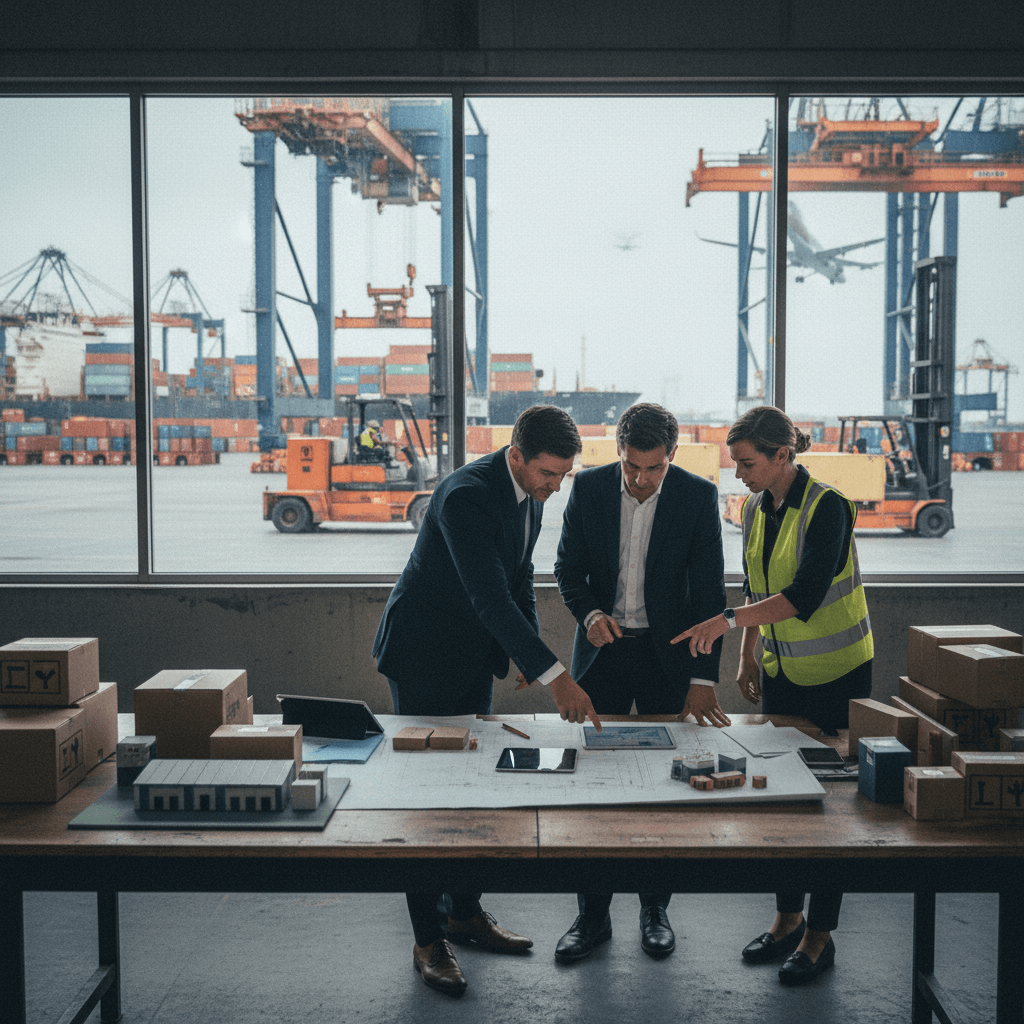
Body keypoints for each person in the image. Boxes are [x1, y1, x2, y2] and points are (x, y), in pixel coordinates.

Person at [372, 404, 602, 997]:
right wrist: (555, 675)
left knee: (470, 786)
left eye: (564, 477)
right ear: (517, 455)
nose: (555, 488)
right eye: (549, 475)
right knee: (427, 800)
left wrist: (526, 657)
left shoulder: (529, 492)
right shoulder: (465, 496)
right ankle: (428, 939)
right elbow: (488, 599)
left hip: (470, 653)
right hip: (423, 654)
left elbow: (518, 576)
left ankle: (464, 914)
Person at [673, 405, 873, 986]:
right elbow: (757, 584)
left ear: (783, 455)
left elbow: (806, 593)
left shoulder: (829, 506)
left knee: (831, 809)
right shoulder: (756, 507)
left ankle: (819, 935)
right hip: (783, 672)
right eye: (735, 463)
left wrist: (729, 622)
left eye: (746, 462)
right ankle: (788, 918)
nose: (738, 473)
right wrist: (747, 650)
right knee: (787, 797)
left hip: (838, 675)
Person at [553, 402, 729, 964]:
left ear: (671, 457)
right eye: (632, 467)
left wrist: (704, 677)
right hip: (603, 653)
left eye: (653, 469)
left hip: (668, 658)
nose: (640, 480)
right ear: (618, 453)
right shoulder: (588, 489)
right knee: (593, 785)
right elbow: (567, 570)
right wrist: (588, 615)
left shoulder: (698, 497)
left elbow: (708, 596)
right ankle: (592, 916)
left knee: (665, 788)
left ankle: (655, 909)